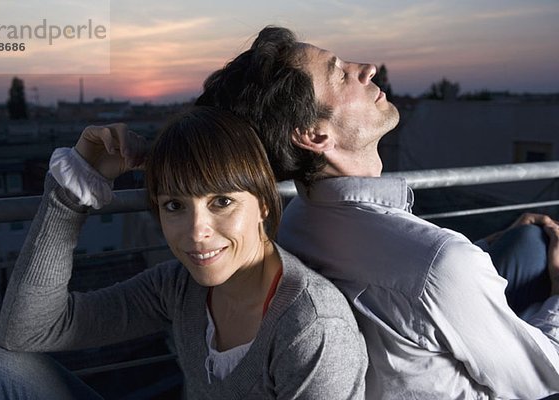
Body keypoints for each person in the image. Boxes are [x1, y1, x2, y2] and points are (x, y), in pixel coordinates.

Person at [196, 26, 559, 399]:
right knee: (540, 253)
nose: (368, 68)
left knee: (528, 242)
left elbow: (411, 282)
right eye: (340, 73)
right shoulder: (442, 263)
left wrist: (477, 254)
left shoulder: (297, 218)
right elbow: (543, 379)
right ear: (315, 136)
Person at [0, 107, 368, 399]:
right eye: (174, 205)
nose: (196, 233)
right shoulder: (180, 287)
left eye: (221, 201)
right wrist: (73, 188)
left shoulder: (312, 331)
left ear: (262, 203)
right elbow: (28, 330)